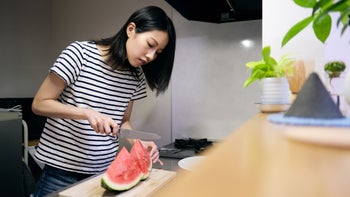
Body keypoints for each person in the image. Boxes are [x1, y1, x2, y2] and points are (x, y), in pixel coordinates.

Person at [30, 5, 176, 197]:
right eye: (150, 44)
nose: (151, 56)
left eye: (158, 52)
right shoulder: (79, 54)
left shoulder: (135, 77)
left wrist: (139, 141)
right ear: (131, 29)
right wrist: (87, 113)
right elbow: (39, 103)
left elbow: (123, 122)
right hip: (61, 171)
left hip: (102, 172)